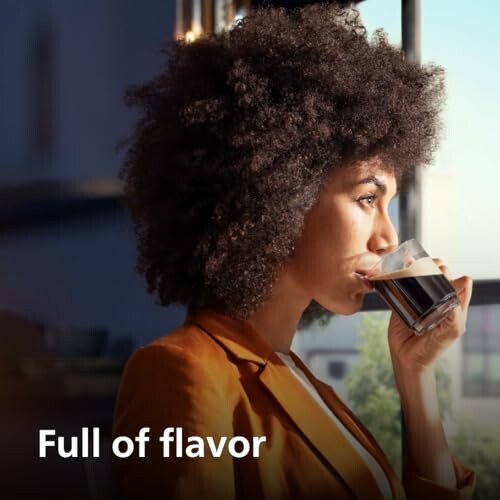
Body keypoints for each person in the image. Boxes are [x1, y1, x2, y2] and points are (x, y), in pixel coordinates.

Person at [112, 4, 475, 499]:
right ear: (279, 192)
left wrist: (416, 376)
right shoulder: (181, 373)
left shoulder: (296, 376)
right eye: (368, 198)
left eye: (387, 203)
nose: (389, 238)